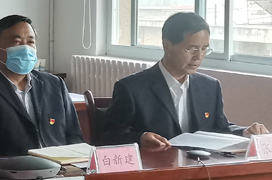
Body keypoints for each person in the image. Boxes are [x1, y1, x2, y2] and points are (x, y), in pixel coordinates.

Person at [102, 12, 268, 148]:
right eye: (191, 49)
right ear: (167, 45)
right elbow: (109, 135)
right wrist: (140, 137)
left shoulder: (210, 86)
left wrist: (245, 132)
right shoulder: (132, 88)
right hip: (157, 168)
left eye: (204, 49)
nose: (198, 56)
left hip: (202, 168)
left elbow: (220, 128)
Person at [0, 15, 83, 157]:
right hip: (12, 167)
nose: (26, 48)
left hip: (62, 166)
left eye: (30, 42)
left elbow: (74, 137)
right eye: (16, 42)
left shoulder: (55, 84)